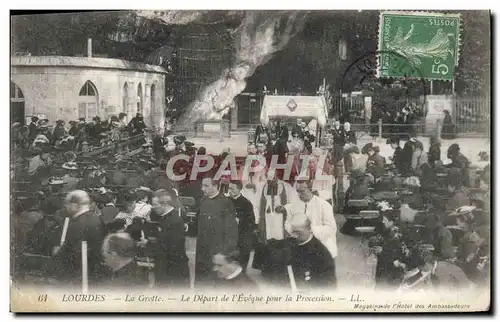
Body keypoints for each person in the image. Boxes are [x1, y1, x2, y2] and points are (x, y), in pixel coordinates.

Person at [52, 190, 105, 289]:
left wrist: (59, 251)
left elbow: (72, 251)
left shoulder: (77, 223)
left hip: (77, 275)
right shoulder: (94, 218)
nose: (65, 208)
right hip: (90, 272)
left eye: (67, 205)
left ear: (75, 205)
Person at [195, 176, 238, 288]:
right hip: (202, 249)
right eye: (202, 186)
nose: (203, 189)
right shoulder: (203, 200)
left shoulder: (225, 203)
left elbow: (231, 231)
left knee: (214, 284)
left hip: (217, 250)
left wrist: (225, 251)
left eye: (206, 186)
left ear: (215, 186)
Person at [144, 188, 190, 289]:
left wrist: (148, 244)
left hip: (174, 271)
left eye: (155, 204)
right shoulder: (163, 218)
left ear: (164, 204)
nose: (153, 207)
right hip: (166, 268)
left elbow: (170, 247)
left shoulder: (175, 221)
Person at [282, 179, 337, 260]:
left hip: (321, 245)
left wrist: (312, 230)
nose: (299, 194)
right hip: (302, 245)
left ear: (310, 189)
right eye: (297, 191)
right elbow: (287, 223)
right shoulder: (294, 206)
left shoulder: (324, 205)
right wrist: (295, 230)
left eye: (302, 191)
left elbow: (331, 228)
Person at [288, 215, 337, 290]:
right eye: (292, 232)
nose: (294, 235)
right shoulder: (293, 242)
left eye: (298, 232)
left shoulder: (322, 255)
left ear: (310, 229)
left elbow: (328, 288)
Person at [228, 180, 257, 270]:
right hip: (228, 236)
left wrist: (239, 220)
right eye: (229, 188)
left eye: (232, 188)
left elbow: (251, 221)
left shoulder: (246, 203)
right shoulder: (226, 201)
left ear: (239, 189)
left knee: (241, 263)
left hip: (241, 236)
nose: (230, 190)